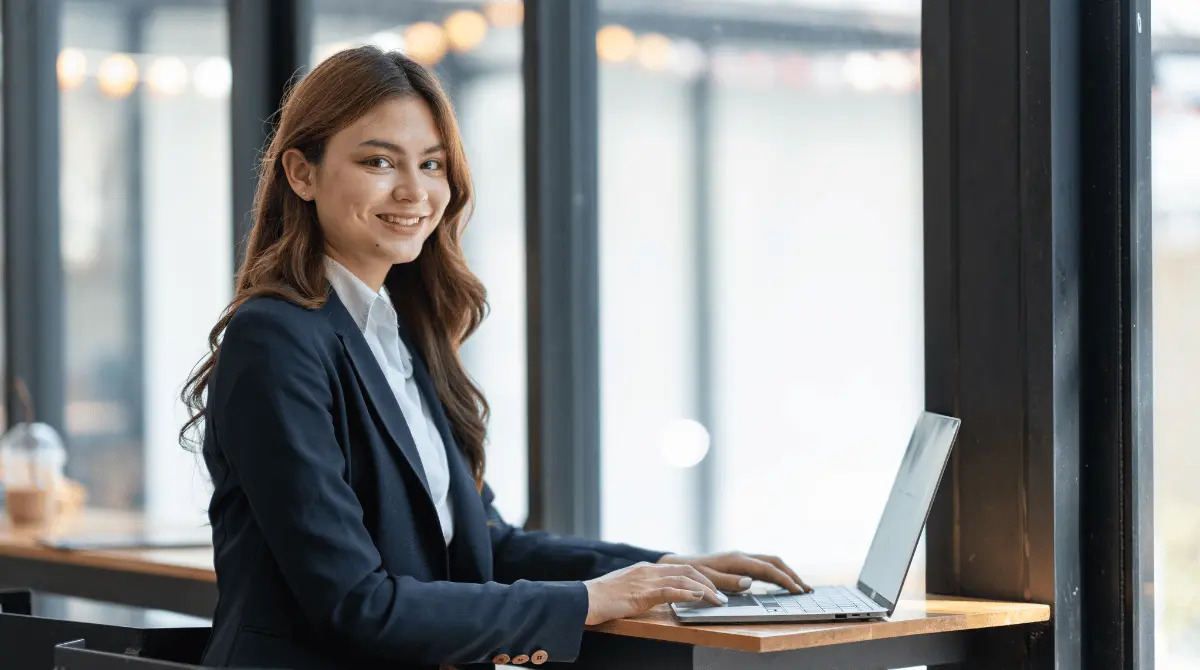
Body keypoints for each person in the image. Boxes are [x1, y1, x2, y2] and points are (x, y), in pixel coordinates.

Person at [181, 46, 809, 670]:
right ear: (302, 173)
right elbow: (356, 604)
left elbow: (486, 544)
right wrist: (588, 600)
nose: (414, 191)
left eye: (432, 164)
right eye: (378, 161)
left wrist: (664, 570)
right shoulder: (276, 338)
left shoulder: (397, 333)